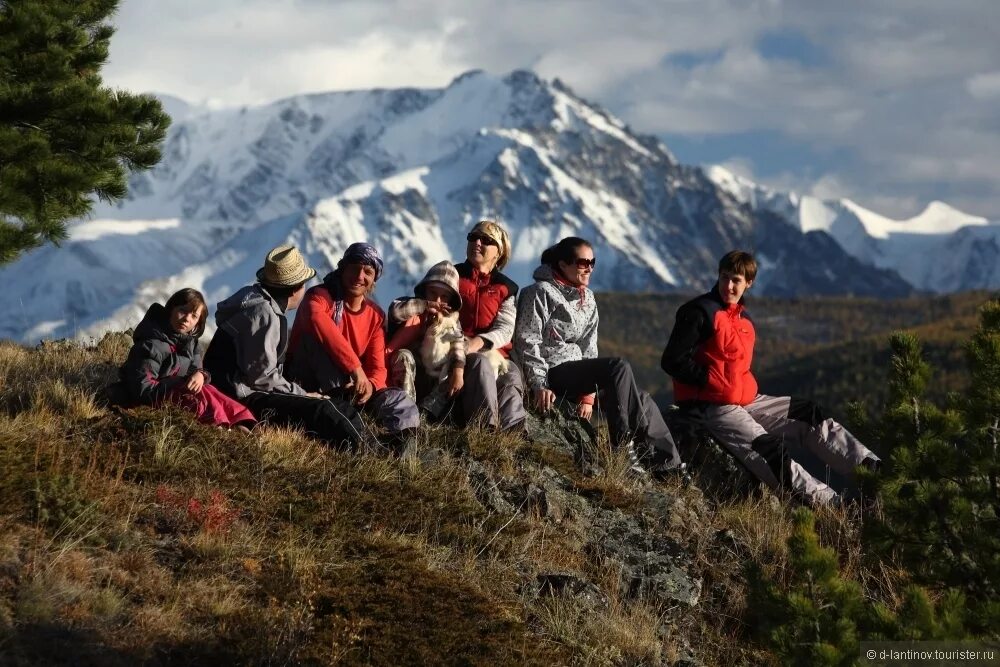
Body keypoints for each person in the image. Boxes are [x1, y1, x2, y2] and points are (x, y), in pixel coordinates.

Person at [660, 250, 880, 506]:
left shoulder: (744, 320)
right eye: (724, 278)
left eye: (736, 280)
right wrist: (712, 381)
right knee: (769, 449)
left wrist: (732, 386)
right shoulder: (698, 312)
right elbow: (672, 361)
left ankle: (872, 471)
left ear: (749, 283)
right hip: (711, 407)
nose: (728, 286)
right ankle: (834, 507)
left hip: (745, 399)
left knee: (808, 414)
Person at [514, 236, 683, 478]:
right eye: (583, 262)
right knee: (618, 367)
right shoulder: (539, 292)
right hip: (553, 372)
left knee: (640, 398)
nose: (589, 268)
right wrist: (538, 384)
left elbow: (589, 347)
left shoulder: (588, 298)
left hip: (579, 374)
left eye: (592, 262)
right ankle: (622, 447)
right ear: (563, 264)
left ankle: (669, 466)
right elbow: (527, 341)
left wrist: (588, 395)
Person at [203, 244, 364, 449]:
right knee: (322, 410)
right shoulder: (264, 314)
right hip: (241, 396)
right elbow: (262, 379)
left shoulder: (254, 299)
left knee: (332, 404)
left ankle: (368, 444)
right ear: (296, 288)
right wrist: (303, 394)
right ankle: (366, 450)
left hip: (236, 389)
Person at [388, 220, 526, 430]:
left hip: (490, 348)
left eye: (486, 240)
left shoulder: (506, 287)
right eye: (473, 237)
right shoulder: (452, 275)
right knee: (480, 364)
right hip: (451, 347)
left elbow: (505, 328)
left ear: (498, 253)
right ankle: (483, 429)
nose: (477, 242)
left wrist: (478, 342)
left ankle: (514, 432)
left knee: (511, 375)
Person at [286, 243, 419, 443]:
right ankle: (344, 415)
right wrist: (356, 369)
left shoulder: (375, 316)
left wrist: (370, 387)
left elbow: (378, 367)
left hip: (353, 389)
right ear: (342, 269)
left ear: (374, 279)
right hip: (311, 383)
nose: (359, 276)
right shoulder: (319, 297)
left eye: (367, 272)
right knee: (315, 341)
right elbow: (316, 320)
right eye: (354, 268)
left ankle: (404, 442)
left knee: (398, 400)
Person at [119, 288, 256, 430]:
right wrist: (178, 385)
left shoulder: (191, 344)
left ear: (197, 323)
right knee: (201, 396)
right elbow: (143, 389)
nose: (187, 318)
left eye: (194, 316)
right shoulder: (151, 345)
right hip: (153, 400)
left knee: (207, 389)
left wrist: (200, 375)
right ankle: (218, 427)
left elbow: (197, 370)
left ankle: (239, 422)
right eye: (183, 311)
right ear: (171, 309)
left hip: (177, 395)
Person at [385, 261, 467, 417]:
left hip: (435, 376)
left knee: (454, 366)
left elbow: (458, 344)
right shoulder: (411, 306)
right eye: (432, 293)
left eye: (444, 296)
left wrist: (458, 370)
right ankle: (405, 411)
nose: (437, 300)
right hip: (409, 370)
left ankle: (427, 413)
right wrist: (424, 305)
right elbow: (395, 312)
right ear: (424, 291)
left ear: (450, 301)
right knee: (404, 356)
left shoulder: (452, 320)